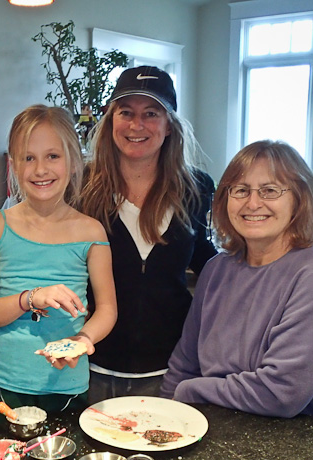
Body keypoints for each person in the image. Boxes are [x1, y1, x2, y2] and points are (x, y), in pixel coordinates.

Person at [160, 140, 313, 419]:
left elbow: (282, 393)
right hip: (211, 429)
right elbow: (184, 362)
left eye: (270, 190)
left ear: (300, 200)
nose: (253, 203)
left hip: (291, 446)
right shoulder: (216, 269)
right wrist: (164, 417)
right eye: (240, 190)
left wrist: (190, 391)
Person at [0, 105, 117, 421]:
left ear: (73, 161)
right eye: (28, 158)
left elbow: (107, 310)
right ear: (13, 164)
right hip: (7, 383)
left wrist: (83, 339)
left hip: (68, 385)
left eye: (53, 156)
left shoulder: (91, 231)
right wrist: (30, 298)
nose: (40, 169)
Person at [79, 65, 217, 402]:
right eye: (126, 112)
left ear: (169, 125)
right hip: (90, 365)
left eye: (151, 113)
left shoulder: (196, 188)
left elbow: (204, 256)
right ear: (111, 119)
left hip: (170, 368)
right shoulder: (80, 187)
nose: (136, 125)